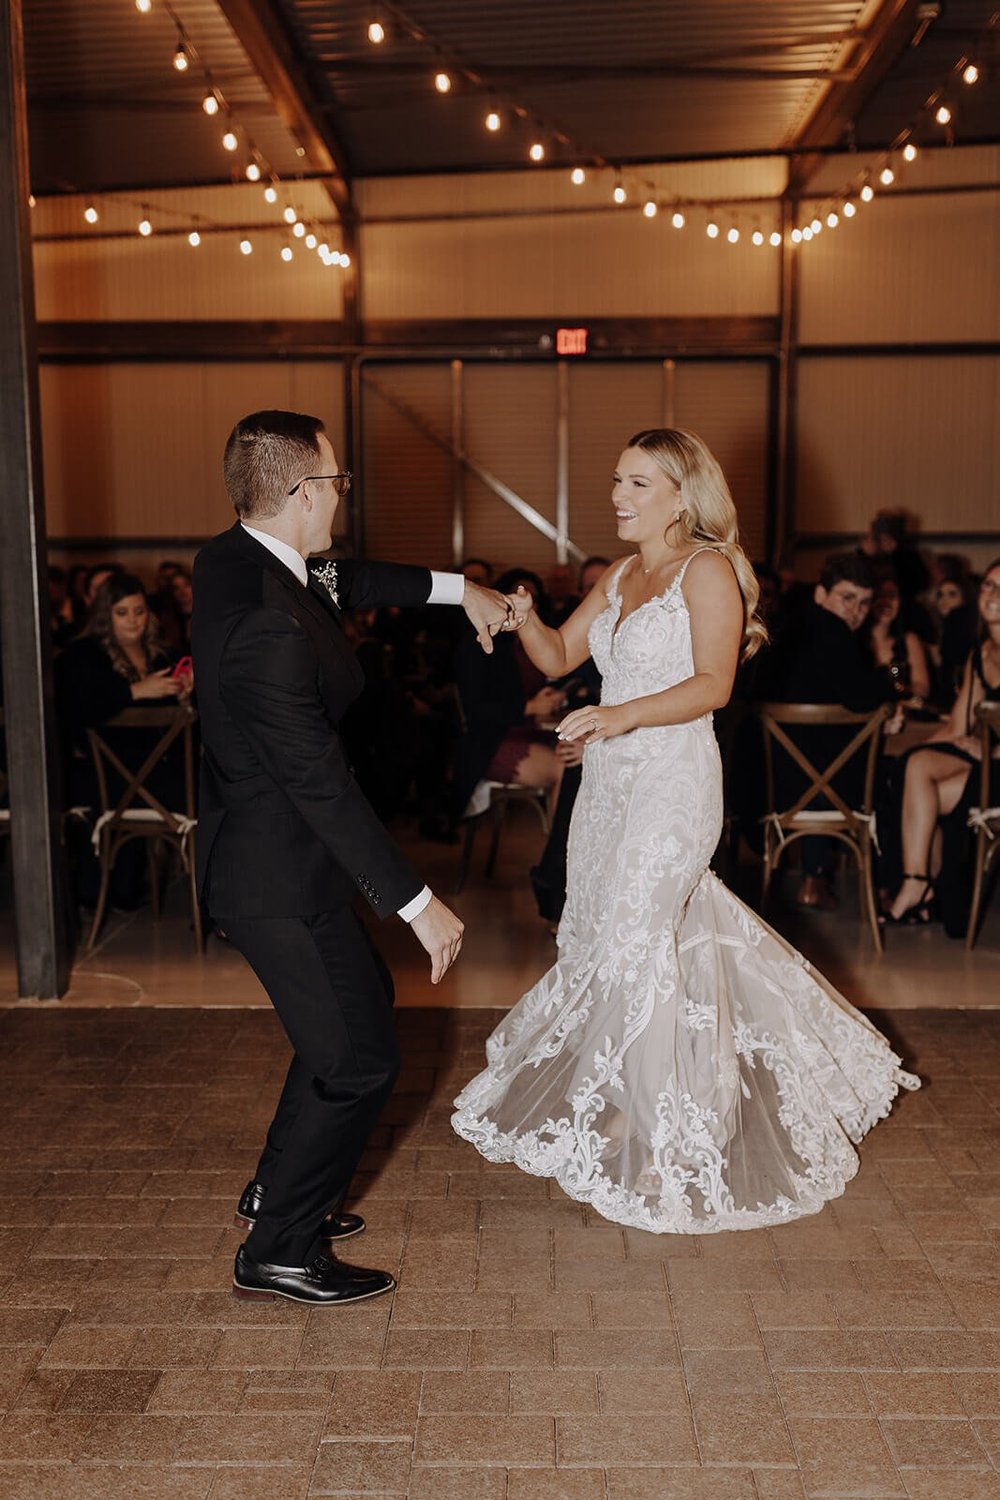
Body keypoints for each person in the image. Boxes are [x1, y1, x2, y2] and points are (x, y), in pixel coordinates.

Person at [452, 428, 918, 1234]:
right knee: (609, 934)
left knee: (637, 937)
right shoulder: (623, 573)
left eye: (637, 483)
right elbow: (562, 653)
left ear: (680, 493)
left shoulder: (708, 571)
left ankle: (660, 1125)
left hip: (672, 780)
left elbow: (712, 683)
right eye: (617, 481)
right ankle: (676, 1097)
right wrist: (525, 618)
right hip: (607, 785)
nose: (617, 497)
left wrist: (617, 715)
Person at [191, 409, 509, 1306]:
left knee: (354, 1016)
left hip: (283, 860)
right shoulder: (268, 626)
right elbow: (320, 783)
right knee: (358, 1059)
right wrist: (416, 901)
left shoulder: (237, 559)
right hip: (274, 874)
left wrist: (461, 591)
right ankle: (280, 1250)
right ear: (301, 493)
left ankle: (278, 1192)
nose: (343, 493)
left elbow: (345, 575)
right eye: (337, 480)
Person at [757, 552, 897, 910]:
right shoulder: (833, 634)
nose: (856, 611)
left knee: (823, 757)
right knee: (896, 776)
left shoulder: (785, 626)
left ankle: (813, 877)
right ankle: (887, 889)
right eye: (847, 598)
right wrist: (887, 666)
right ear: (821, 594)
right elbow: (863, 696)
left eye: (865, 603)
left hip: (771, 784)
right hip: (826, 789)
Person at [884, 558, 1000, 926]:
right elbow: (958, 725)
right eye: (989, 586)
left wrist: (990, 750)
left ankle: (919, 886)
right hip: (987, 764)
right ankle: (920, 884)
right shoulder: (980, 655)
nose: (993, 595)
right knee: (913, 766)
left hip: (995, 761)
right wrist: (913, 751)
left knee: (923, 791)